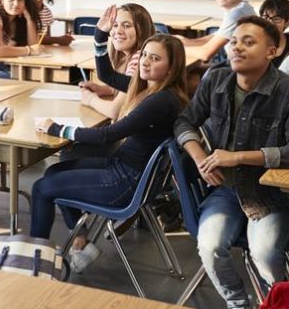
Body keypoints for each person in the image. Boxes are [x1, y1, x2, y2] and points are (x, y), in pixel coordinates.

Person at [31, 34, 188, 273]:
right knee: (53, 171)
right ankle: (80, 242)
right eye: (144, 54)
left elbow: (108, 135)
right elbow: (108, 76)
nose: (145, 62)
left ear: (171, 68)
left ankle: (32, 264)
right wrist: (100, 37)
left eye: (155, 58)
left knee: (42, 188)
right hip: (126, 172)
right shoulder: (155, 91)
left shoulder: (160, 101)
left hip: (124, 182)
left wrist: (58, 129)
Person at [174, 16, 289, 309]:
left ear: (272, 51)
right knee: (210, 246)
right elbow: (185, 121)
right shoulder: (216, 79)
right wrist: (201, 157)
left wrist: (238, 157)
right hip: (225, 191)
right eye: (235, 41)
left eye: (249, 42)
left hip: (270, 194)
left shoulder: (287, 90)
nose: (237, 47)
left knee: (265, 255)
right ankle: (240, 306)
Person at [175, 0, 255, 62]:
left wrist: (173, 48)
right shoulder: (243, 7)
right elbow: (216, 37)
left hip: (240, 72)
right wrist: (186, 42)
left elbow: (206, 54)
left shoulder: (236, 14)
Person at [259, 0, 289, 68]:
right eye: (265, 17)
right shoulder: (253, 44)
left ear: (287, 23)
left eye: (276, 19)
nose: (270, 22)